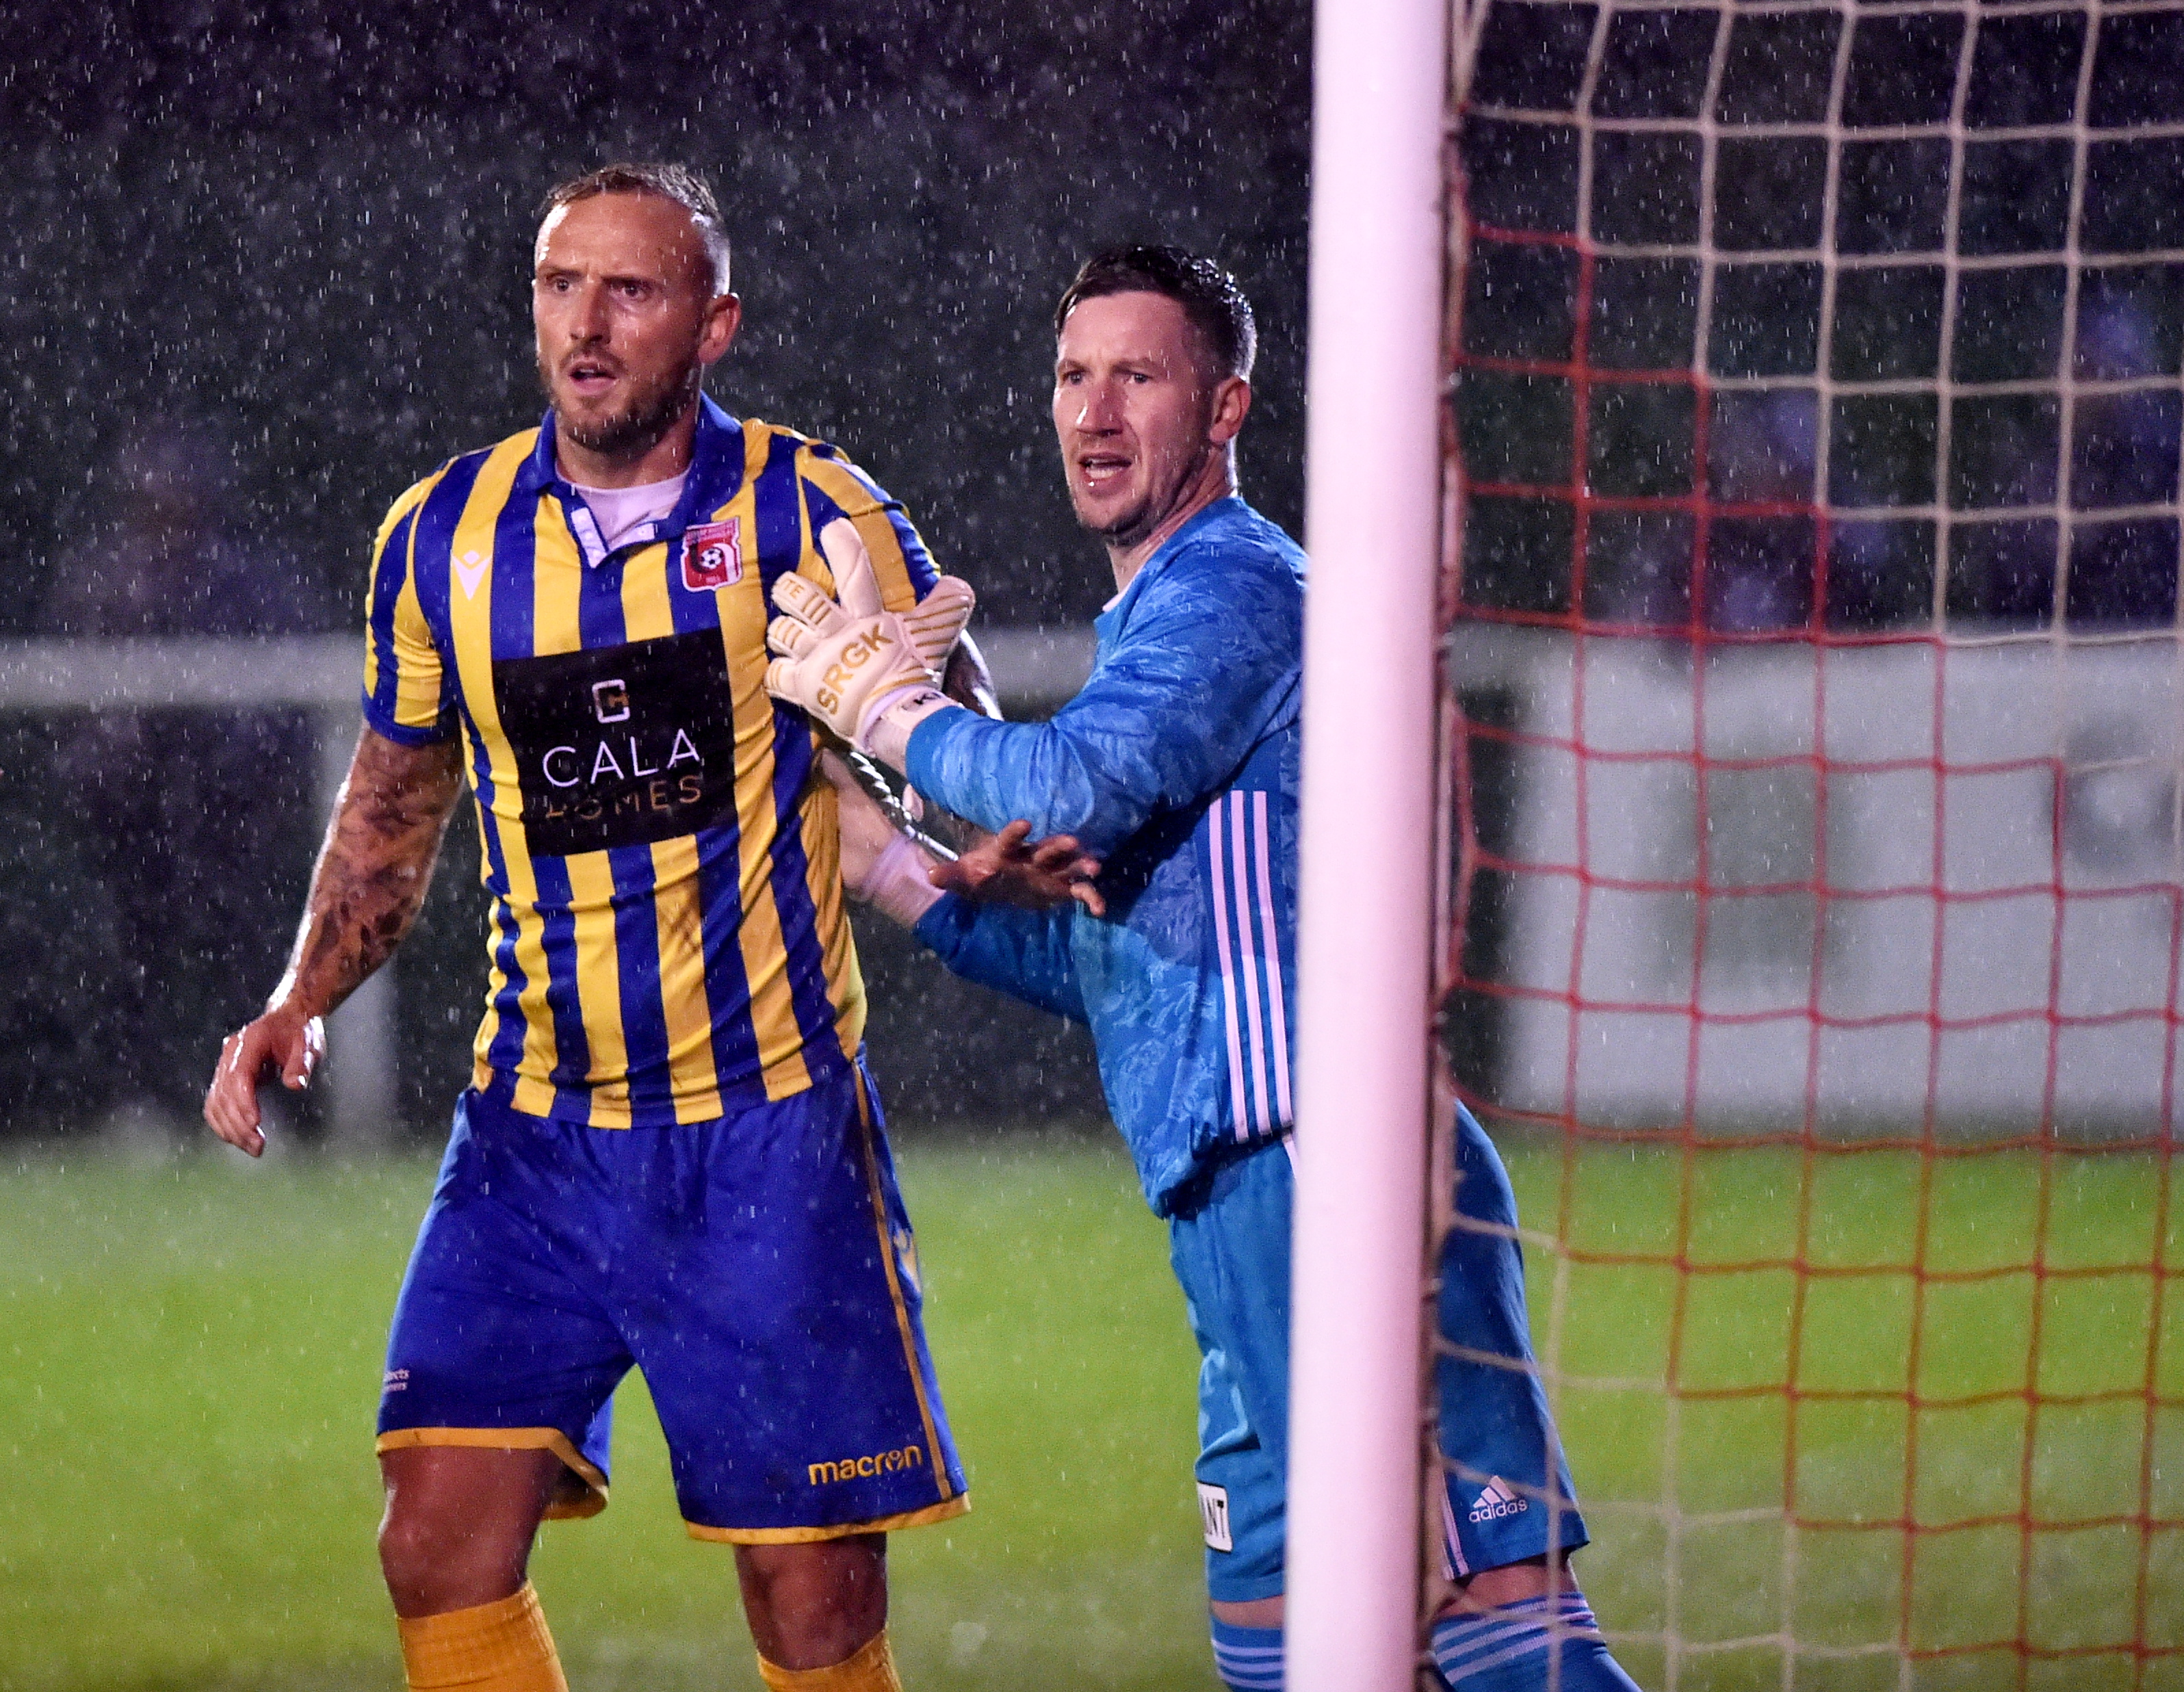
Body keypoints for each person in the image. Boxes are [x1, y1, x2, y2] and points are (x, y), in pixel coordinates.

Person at [763, 246, 1641, 1692]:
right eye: (1072, 376)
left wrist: (887, 700)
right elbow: (1132, 962)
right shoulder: (1160, 621)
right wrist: (882, 858)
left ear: (1226, 406)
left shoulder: (1233, 590)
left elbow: (1071, 784)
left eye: (1140, 376)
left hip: (1334, 1181)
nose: (1095, 412)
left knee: (1491, 1640)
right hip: (1239, 1200)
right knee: (1285, 1655)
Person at [203, 163, 980, 1692]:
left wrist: (962, 820)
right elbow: (392, 803)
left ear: (715, 324)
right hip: (535, 1136)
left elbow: (949, 736)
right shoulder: (442, 534)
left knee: (812, 1603)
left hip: (763, 1131)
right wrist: (300, 994)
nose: (588, 322)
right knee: (434, 1539)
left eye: (632, 290)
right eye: (562, 285)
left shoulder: (812, 509)